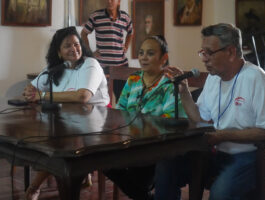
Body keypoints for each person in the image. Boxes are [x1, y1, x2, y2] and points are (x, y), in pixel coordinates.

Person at [154, 23, 265, 200]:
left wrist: (222, 136)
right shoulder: (214, 78)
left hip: (258, 155)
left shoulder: (256, 79)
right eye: (202, 53)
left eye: (209, 53)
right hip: (221, 152)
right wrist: (184, 92)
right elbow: (201, 119)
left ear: (230, 52)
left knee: (221, 193)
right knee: (167, 166)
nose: (204, 59)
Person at [23, 26, 110, 200]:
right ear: (59, 52)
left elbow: (83, 96)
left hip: (96, 123)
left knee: (58, 144)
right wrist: (30, 92)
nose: (74, 49)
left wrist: (43, 95)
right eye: (67, 46)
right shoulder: (57, 68)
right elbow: (32, 88)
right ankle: (81, 174)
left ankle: (35, 186)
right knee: (48, 137)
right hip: (66, 120)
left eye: (77, 44)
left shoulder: (90, 64)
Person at [104, 35, 187, 200]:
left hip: (156, 148)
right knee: (101, 161)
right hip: (129, 144)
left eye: (150, 53)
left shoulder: (170, 84)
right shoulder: (133, 79)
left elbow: (170, 120)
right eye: (141, 53)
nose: (143, 57)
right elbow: (120, 112)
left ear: (163, 58)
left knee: (138, 179)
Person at [81, 0, 133, 101]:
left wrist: (126, 46)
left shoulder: (125, 17)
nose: (109, 1)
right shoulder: (96, 16)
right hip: (102, 67)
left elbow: (131, 32)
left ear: (118, 2)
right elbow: (83, 34)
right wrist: (90, 52)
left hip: (120, 67)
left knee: (123, 100)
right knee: (101, 100)